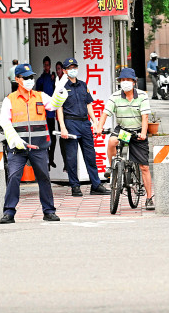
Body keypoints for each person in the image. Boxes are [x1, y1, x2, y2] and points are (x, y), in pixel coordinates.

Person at [0, 63, 68, 224]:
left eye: (32, 77)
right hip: (18, 148)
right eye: (26, 77)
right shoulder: (9, 100)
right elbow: (5, 123)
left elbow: (54, 105)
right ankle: (9, 212)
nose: (30, 80)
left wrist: (59, 90)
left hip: (39, 146)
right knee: (14, 177)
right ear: (17, 79)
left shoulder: (40, 96)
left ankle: (49, 211)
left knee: (44, 177)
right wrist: (15, 140)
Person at [94, 68, 154, 210]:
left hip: (138, 131)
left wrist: (144, 133)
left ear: (134, 82)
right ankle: (112, 167)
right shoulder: (115, 96)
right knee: (112, 141)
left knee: (144, 167)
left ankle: (149, 198)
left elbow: (145, 117)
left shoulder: (142, 96)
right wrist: (99, 127)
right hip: (124, 131)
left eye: (128, 80)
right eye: (122, 80)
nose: (125, 82)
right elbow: (105, 113)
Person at [58, 57, 109, 196]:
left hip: (84, 123)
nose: (73, 70)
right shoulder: (62, 87)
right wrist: (62, 126)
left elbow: (89, 104)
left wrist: (96, 122)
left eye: (74, 67)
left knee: (90, 155)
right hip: (70, 123)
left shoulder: (82, 85)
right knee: (71, 157)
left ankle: (96, 185)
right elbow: (59, 108)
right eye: (69, 68)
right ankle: (75, 186)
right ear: (64, 71)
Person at [35, 56, 58, 168]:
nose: (47, 67)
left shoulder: (53, 78)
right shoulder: (40, 80)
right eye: (45, 65)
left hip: (51, 114)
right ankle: (46, 160)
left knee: (53, 137)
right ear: (43, 66)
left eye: (48, 65)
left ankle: (51, 158)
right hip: (43, 114)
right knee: (45, 137)